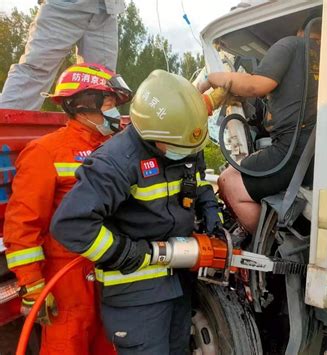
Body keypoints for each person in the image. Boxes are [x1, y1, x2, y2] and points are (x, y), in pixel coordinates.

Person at [50, 70, 225, 354]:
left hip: (177, 284)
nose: (185, 153)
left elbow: (197, 180)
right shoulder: (116, 162)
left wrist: (209, 209)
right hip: (136, 296)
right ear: (150, 133)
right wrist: (129, 253)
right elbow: (70, 224)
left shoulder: (180, 141)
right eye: (179, 149)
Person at [3, 62, 132, 354]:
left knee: (110, 345)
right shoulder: (45, 152)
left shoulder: (114, 146)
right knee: (67, 345)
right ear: (85, 103)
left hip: (109, 267)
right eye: (110, 102)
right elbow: (22, 223)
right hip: (66, 279)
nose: (115, 111)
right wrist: (33, 285)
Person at [198, 16, 321, 235]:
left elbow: (256, 86)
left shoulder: (291, 44)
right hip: (317, 156)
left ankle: (268, 249)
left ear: (300, 30)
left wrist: (211, 79)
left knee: (229, 181)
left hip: (291, 150)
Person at [0, 0, 125, 110]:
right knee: (36, 69)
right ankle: (6, 128)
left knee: (101, 82)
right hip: (63, 5)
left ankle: (92, 134)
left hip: (106, 9)